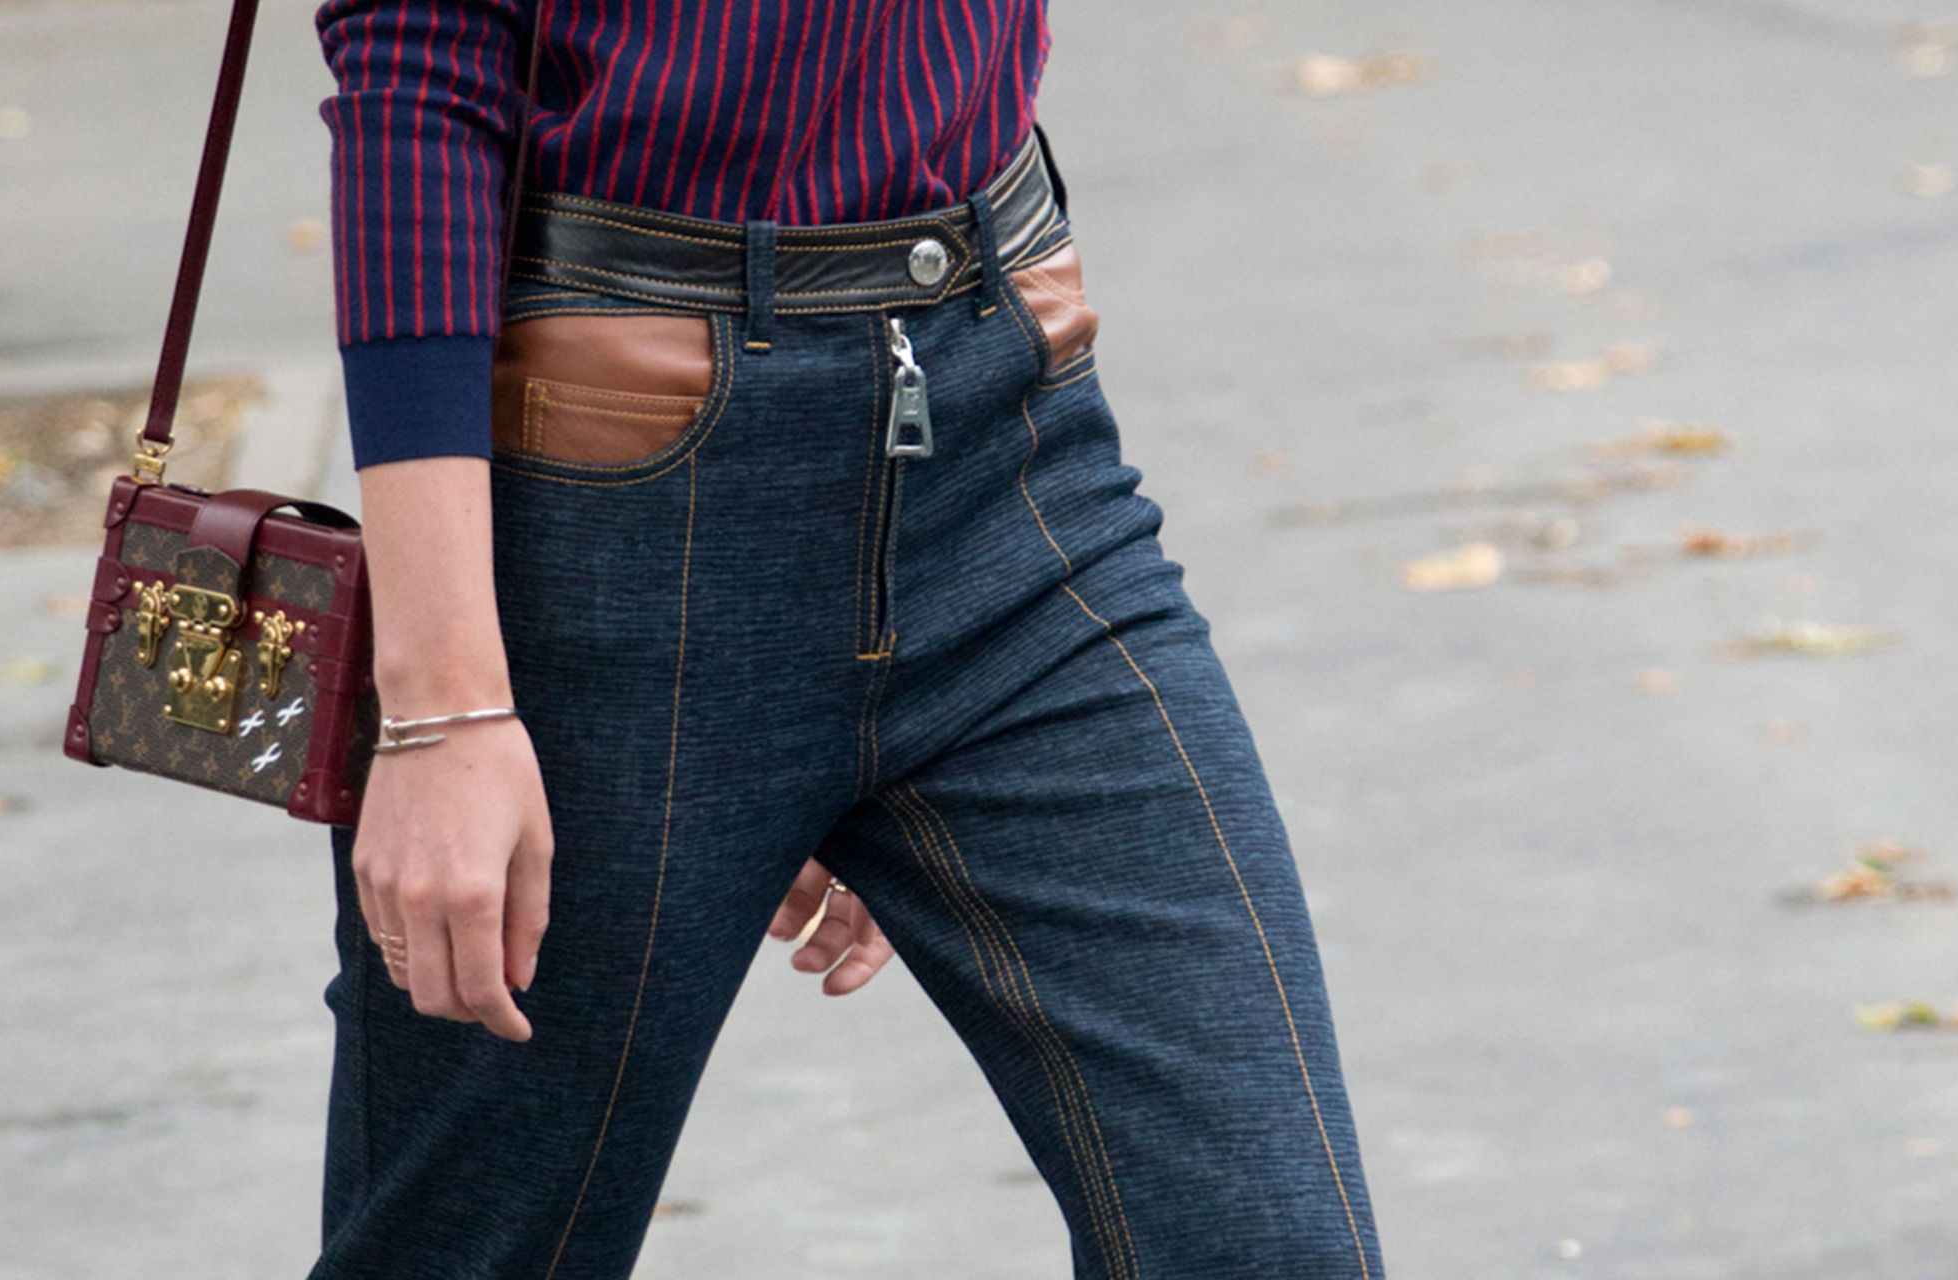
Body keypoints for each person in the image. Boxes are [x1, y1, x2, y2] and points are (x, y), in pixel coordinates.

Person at [313, 3, 1384, 1276]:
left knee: (1265, 1243)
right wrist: (444, 709)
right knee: (469, 1250)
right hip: (615, 525)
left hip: (999, 455)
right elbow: (417, 87)